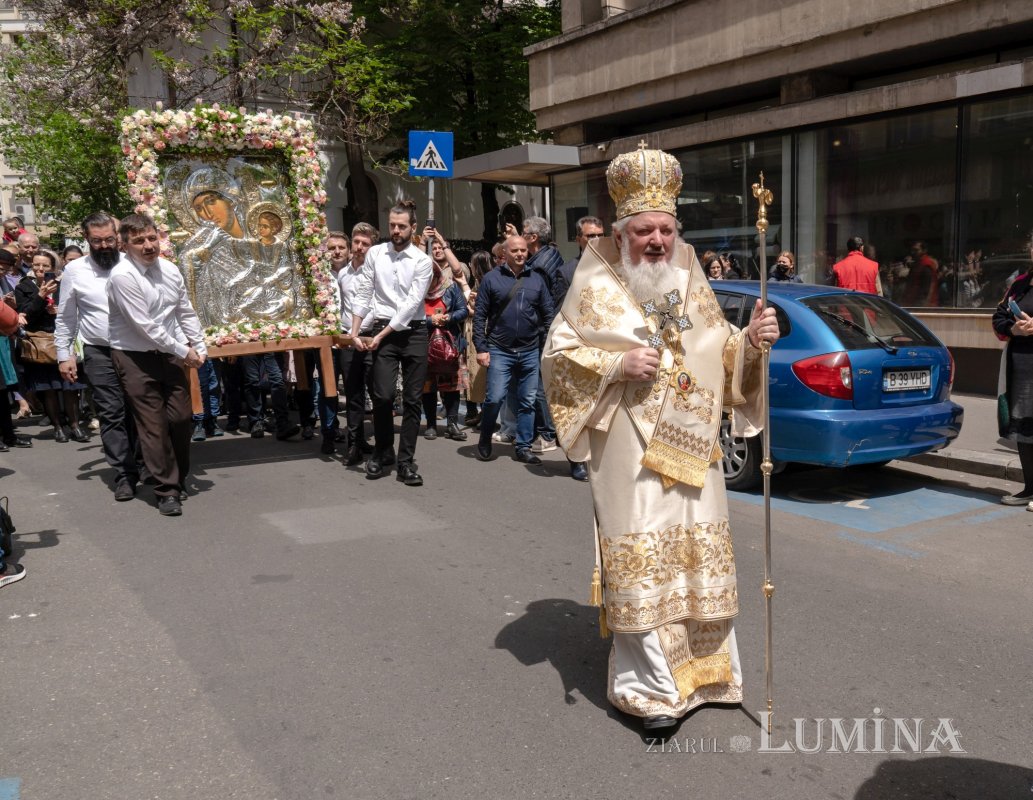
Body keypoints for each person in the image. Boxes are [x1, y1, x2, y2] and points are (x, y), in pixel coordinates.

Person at [542, 145, 779, 731]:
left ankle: (707, 676)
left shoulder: (690, 277)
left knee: (697, 560)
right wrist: (615, 368)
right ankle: (649, 692)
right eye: (644, 229)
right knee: (643, 564)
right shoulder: (594, 284)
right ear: (622, 232)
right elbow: (558, 357)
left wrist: (751, 341)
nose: (657, 240)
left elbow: (718, 350)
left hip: (693, 446)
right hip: (628, 449)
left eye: (666, 229)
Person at [107, 213, 207, 517]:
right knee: (153, 424)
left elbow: (184, 310)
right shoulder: (122, 276)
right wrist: (183, 350)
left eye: (152, 238)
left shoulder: (171, 270)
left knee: (180, 417)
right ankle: (167, 490)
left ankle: (178, 473)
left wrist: (200, 345)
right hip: (134, 355)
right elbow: (145, 327)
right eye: (139, 241)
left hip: (169, 353)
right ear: (125, 245)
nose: (149, 245)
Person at [56, 212, 142, 500]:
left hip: (136, 348)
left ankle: (142, 462)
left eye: (109, 239)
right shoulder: (75, 271)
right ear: (86, 239)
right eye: (97, 241)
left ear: (118, 236)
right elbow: (66, 316)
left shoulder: (134, 262)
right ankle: (124, 474)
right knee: (111, 412)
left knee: (139, 409)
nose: (104, 245)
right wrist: (64, 354)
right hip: (98, 350)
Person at [349, 200, 433, 487]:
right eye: (392, 226)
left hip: (414, 332)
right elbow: (364, 291)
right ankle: (383, 450)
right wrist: (355, 331)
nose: (396, 231)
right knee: (382, 395)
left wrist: (380, 335)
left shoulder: (422, 261)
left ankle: (405, 462)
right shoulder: (375, 253)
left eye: (401, 226)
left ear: (413, 228)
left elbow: (412, 305)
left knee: (412, 399)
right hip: (381, 328)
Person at [473, 235, 555, 465]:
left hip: (530, 350)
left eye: (523, 250)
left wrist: (549, 344)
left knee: (527, 401)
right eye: (515, 250)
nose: (520, 254)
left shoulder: (537, 279)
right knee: (495, 398)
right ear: (505, 253)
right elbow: (480, 317)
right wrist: (481, 348)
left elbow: (548, 314)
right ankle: (485, 438)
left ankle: (523, 446)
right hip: (500, 350)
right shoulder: (491, 279)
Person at [16, 249, 89, 443]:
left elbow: (76, 309)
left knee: (70, 387)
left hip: (63, 340)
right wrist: (40, 297)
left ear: (53, 268)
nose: (40, 269)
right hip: (40, 342)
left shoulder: (63, 283)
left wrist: (59, 310)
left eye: (45, 266)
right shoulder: (24, 286)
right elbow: (24, 316)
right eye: (36, 265)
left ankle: (75, 425)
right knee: (48, 388)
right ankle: (57, 427)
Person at [993, 233, 1033, 507]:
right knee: (1023, 428)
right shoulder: (1020, 283)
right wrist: (1013, 328)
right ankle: (1030, 487)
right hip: (1020, 367)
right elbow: (998, 317)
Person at [421, 226, 470, 441]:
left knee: (451, 387)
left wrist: (448, 318)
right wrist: (429, 320)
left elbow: (462, 311)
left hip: (449, 343)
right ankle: (431, 424)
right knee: (428, 387)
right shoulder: (416, 292)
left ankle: (451, 424)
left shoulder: (450, 288)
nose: (430, 280)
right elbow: (407, 316)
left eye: (433, 275)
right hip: (424, 344)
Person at [338, 225, 376, 465]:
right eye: (357, 242)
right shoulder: (343, 274)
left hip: (371, 337)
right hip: (347, 339)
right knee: (353, 393)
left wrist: (363, 332)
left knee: (377, 391)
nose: (360, 247)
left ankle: (383, 445)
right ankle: (354, 444)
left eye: (365, 243)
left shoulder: (376, 273)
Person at [903, 241, 939, 307]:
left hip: (922, 304)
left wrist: (921, 305)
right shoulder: (917, 263)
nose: (913, 252)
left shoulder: (926, 264)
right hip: (913, 301)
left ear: (924, 251)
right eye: (912, 250)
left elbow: (927, 288)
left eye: (916, 250)